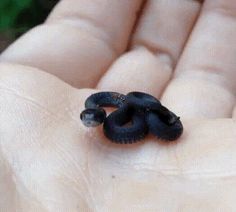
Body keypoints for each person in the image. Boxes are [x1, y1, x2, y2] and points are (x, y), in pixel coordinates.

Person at [0, 0, 235, 211]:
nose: (89, 123)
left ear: (101, 117)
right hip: (144, 112)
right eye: (87, 120)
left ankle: (163, 118)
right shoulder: (102, 108)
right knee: (149, 115)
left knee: (150, 115)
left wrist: (161, 118)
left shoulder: (120, 111)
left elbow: (132, 108)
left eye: (91, 120)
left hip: (147, 112)